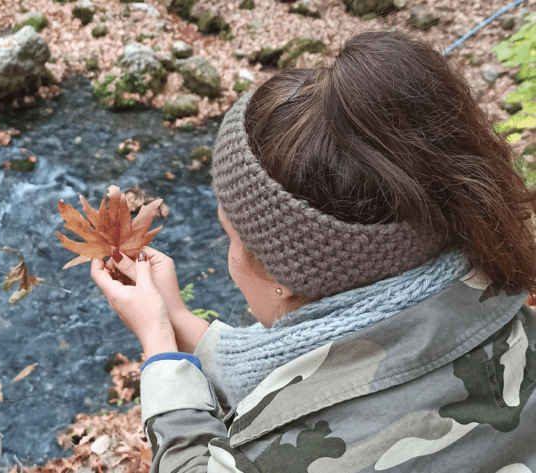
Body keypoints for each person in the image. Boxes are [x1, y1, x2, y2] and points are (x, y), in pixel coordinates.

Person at [90, 31, 536, 472]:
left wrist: (159, 353)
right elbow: (307, 370)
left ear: (286, 276)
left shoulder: (279, 456)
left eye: (231, 236)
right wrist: (174, 318)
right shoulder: (504, 302)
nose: (227, 251)